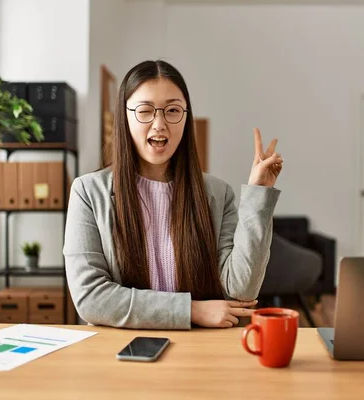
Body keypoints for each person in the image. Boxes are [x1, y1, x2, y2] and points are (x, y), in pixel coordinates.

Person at [63, 60, 283, 329]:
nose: (159, 124)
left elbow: (240, 292)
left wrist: (258, 194)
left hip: (199, 351)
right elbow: (91, 299)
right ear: (125, 116)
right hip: (118, 351)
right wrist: (189, 311)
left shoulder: (217, 194)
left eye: (172, 110)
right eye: (145, 111)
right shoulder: (88, 192)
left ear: (186, 117)